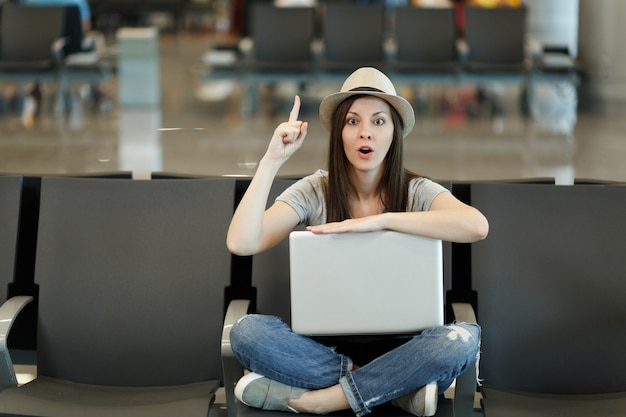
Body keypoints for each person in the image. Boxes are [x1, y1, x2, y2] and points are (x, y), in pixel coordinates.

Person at [226, 67, 489, 417]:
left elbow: (476, 225)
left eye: (379, 121)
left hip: (407, 348)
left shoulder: (416, 191)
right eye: (352, 121)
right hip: (324, 352)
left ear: (395, 133)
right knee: (246, 332)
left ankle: (326, 399)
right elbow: (242, 242)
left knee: (462, 339)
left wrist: (381, 221)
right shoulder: (316, 189)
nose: (365, 132)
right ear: (339, 133)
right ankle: (393, 390)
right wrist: (272, 160)